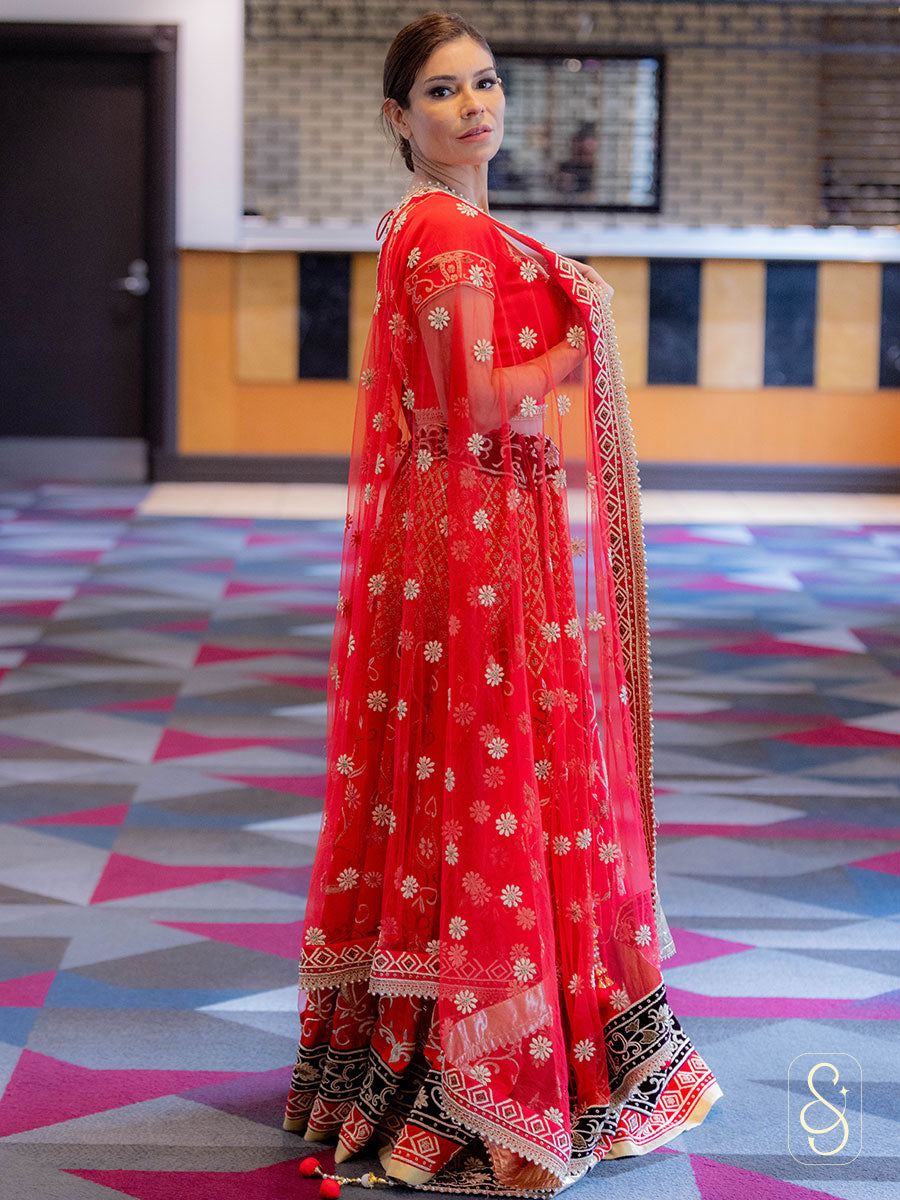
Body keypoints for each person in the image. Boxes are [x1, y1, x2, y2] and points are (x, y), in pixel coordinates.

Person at [283, 12, 722, 1193]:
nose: (473, 105)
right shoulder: (449, 236)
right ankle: (478, 1064)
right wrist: (584, 347)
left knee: (461, 774)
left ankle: (420, 1044)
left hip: (465, 529)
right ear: (399, 117)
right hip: (474, 541)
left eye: (485, 83)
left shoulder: (442, 225)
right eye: (441, 90)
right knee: (485, 776)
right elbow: (479, 401)